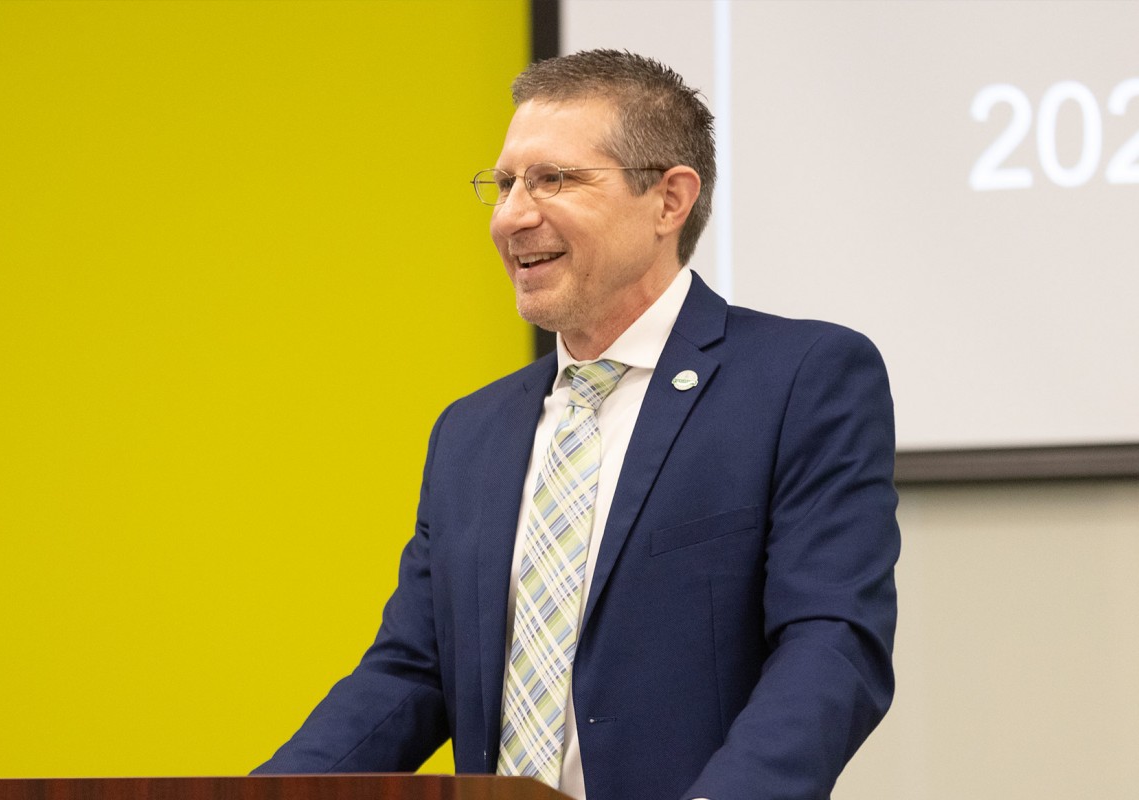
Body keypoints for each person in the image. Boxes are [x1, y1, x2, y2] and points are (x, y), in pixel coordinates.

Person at [256, 49, 899, 800]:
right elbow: (412, 672)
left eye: (553, 179)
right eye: (503, 185)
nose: (511, 216)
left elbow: (829, 644)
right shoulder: (471, 432)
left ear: (668, 200)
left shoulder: (799, 379)